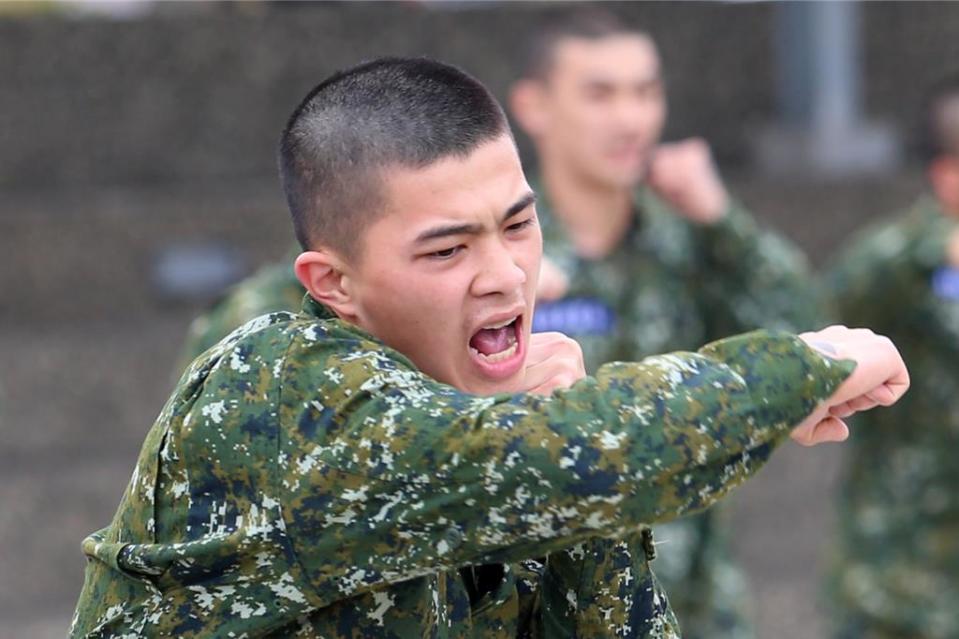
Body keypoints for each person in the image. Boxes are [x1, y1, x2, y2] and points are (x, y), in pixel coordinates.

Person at [70, 57, 908, 639]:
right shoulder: (281, 384)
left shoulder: (493, 424)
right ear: (333, 283)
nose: (505, 276)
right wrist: (797, 370)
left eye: (517, 224)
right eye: (446, 250)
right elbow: (575, 461)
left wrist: (576, 503)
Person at [508, 9, 825, 637]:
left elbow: (812, 342)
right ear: (534, 105)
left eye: (646, 92)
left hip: (694, 602)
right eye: (600, 94)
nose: (631, 119)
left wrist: (721, 222)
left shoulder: (689, 242)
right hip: (547, 608)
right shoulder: (497, 261)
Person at [825, 71, 959, 639]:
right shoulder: (904, 257)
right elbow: (829, 302)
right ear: (946, 175)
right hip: (900, 581)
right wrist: (934, 248)